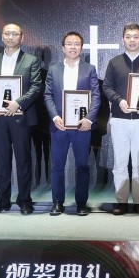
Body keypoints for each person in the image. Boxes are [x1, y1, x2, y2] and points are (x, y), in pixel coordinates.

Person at [0, 23, 42, 215]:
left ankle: (24, 200)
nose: (10, 37)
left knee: (23, 161)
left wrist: (18, 103)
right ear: (2, 36)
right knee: (1, 161)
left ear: (21, 37)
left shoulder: (31, 60)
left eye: (15, 34)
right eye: (7, 33)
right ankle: (2, 201)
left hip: (20, 117)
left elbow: (36, 87)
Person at [102, 23, 139, 215]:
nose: (132, 40)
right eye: (128, 36)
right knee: (119, 163)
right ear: (123, 39)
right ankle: (121, 201)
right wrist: (119, 101)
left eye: (135, 36)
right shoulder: (114, 62)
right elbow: (107, 87)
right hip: (119, 120)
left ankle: (138, 201)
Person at [43, 32, 101, 216]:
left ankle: (81, 203)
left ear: (81, 48)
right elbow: (47, 95)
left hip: (81, 126)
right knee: (57, 166)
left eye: (76, 44)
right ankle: (57, 202)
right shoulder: (53, 69)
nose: (73, 47)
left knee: (82, 166)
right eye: (69, 43)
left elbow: (96, 96)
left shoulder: (89, 69)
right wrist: (54, 117)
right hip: (59, 126)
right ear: (63, 47)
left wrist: (89, 119)